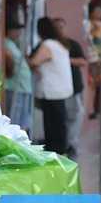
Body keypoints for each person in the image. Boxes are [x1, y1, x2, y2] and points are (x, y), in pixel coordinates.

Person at [31, 14, 76, 157]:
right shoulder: (61, 44)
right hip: (61, 89)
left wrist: (27, 59)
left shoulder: (48, 45)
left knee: (52, 125)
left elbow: (34, 61)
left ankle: (55, 151)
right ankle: (61, 149)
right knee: (60, 122)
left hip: (51, 90)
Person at [0, 21, 34, 138]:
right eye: (17, 30)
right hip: (15, 87)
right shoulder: (6, 43)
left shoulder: (14, 45)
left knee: (23, 116)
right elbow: (7, 58)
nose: (19, 33)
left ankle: (21, 140)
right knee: (15, 118)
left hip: (23, 87)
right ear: (10, 31)